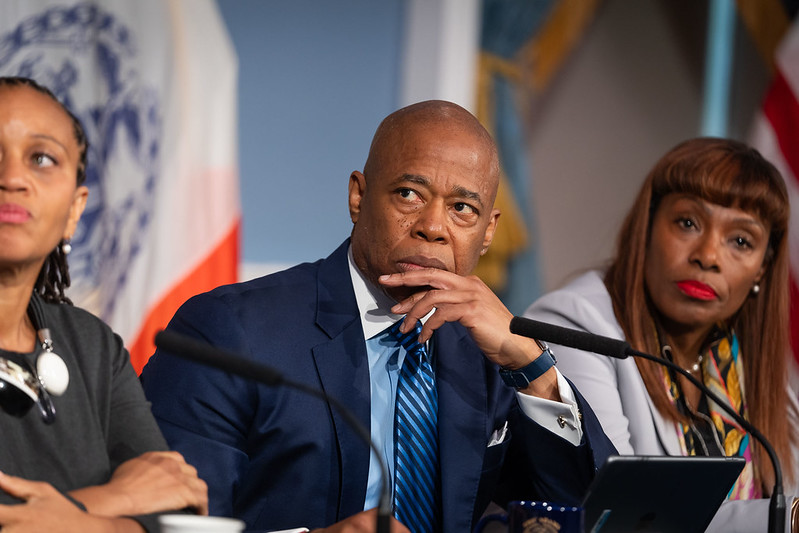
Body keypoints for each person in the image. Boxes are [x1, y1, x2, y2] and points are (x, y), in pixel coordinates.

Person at [140, 100, 616, 532]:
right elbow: (169, 525)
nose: (433, 227)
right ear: (358, 197)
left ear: (488, 231)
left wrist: (530, 365)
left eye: (462, 208)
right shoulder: (228, 333)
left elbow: (596, 517)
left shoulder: (485, 353)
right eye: (409, 194)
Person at [524, 137, 799, 532]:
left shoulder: (745, 358)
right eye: (688, 223)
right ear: (648, 226)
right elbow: (623, 515)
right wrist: (788, 520)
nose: (708, 256)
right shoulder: (575, 324)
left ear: (762, 269)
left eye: (740, 241)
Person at [0, 76, 208, 532]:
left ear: (75, 210)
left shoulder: (91, 345)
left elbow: (177, 505)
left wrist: (65, 520)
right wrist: (119, 498)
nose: (12, 178)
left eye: (41, 158)